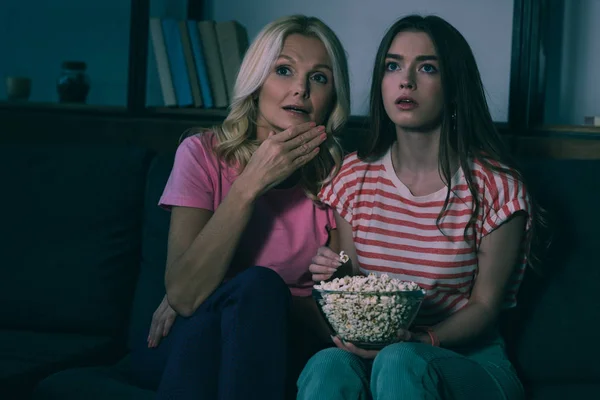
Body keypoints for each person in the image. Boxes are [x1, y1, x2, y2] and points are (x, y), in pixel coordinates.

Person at [298, 15, 545, 400]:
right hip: (374, 354)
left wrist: (422, 338)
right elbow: (354, 270)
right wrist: (335, 269)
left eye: (427, 67)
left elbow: (485, 307)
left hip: (470, 361)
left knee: (400, 361)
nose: (405, 80)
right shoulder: (352, 176)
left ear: (454, 87)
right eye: (392, 66)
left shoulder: (497, 186)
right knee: (325, 365)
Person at [129, 15, 350, 400]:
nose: (300, 89)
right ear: (256, 80)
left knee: (258, 286)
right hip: (194, 338)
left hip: (285, 343)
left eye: (319, 77)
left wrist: (246, 297)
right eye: (283, 70)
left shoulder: (340, 176)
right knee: (250, 292)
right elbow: (183, 295)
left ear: (332, 97)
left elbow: (332, 316)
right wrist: (248, 186)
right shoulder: (200, 154)